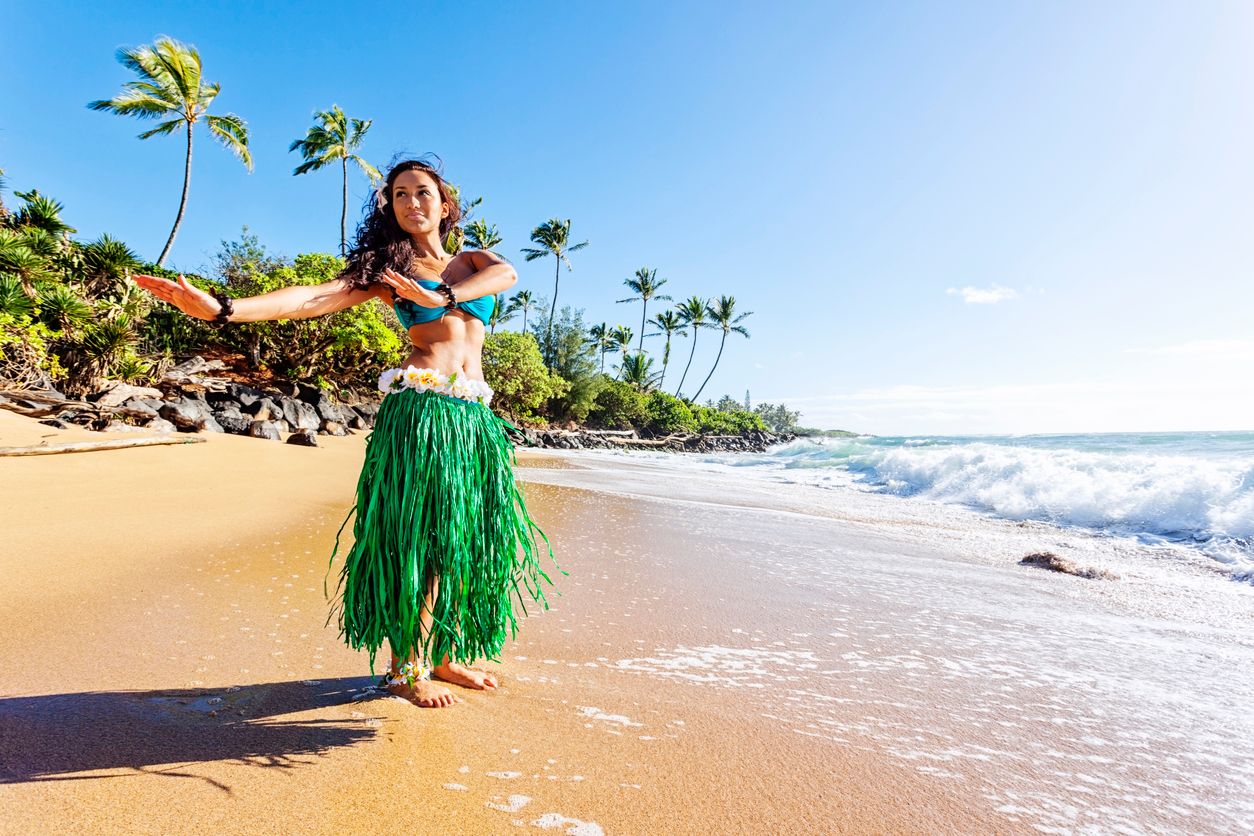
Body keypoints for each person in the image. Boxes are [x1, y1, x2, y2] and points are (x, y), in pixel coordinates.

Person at [132, 157, 561, 709]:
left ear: (445, 203)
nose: (412, 202)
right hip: (424, 416)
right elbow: (312, 298)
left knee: (465, 539)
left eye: (423, 192)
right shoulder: (387, 272)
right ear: (391, 206)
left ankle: (446, 656)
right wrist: (222, 310)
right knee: (414, 540)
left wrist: (442, 297)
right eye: (400, 194)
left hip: (475, 418)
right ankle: (405, 666)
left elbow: (507, 274)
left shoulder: (472, 261)